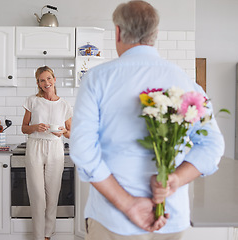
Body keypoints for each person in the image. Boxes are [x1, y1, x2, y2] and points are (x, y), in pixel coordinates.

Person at [70, 1, 225, 240]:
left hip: (113, 221)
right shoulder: (183, 81)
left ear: (118, 32)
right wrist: (174, 180)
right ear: (155, 34)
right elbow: (213, 145)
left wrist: (128, 204)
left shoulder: (97, 79)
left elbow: (82, 150)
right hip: (170, 219)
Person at [21, 66, 72, 240]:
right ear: (38, 83)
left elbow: (71, 133)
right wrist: (35, 127)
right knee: (37, 195)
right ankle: (37, 236)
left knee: (52, 194)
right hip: (35, 147)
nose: (46, 83)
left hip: (55, 149)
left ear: (54, 79)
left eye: (49, 78)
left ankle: (47, 235)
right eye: (42, 80)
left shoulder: (64, 105)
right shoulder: (32, 101)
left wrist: (62, 132)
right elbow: (24, 128)